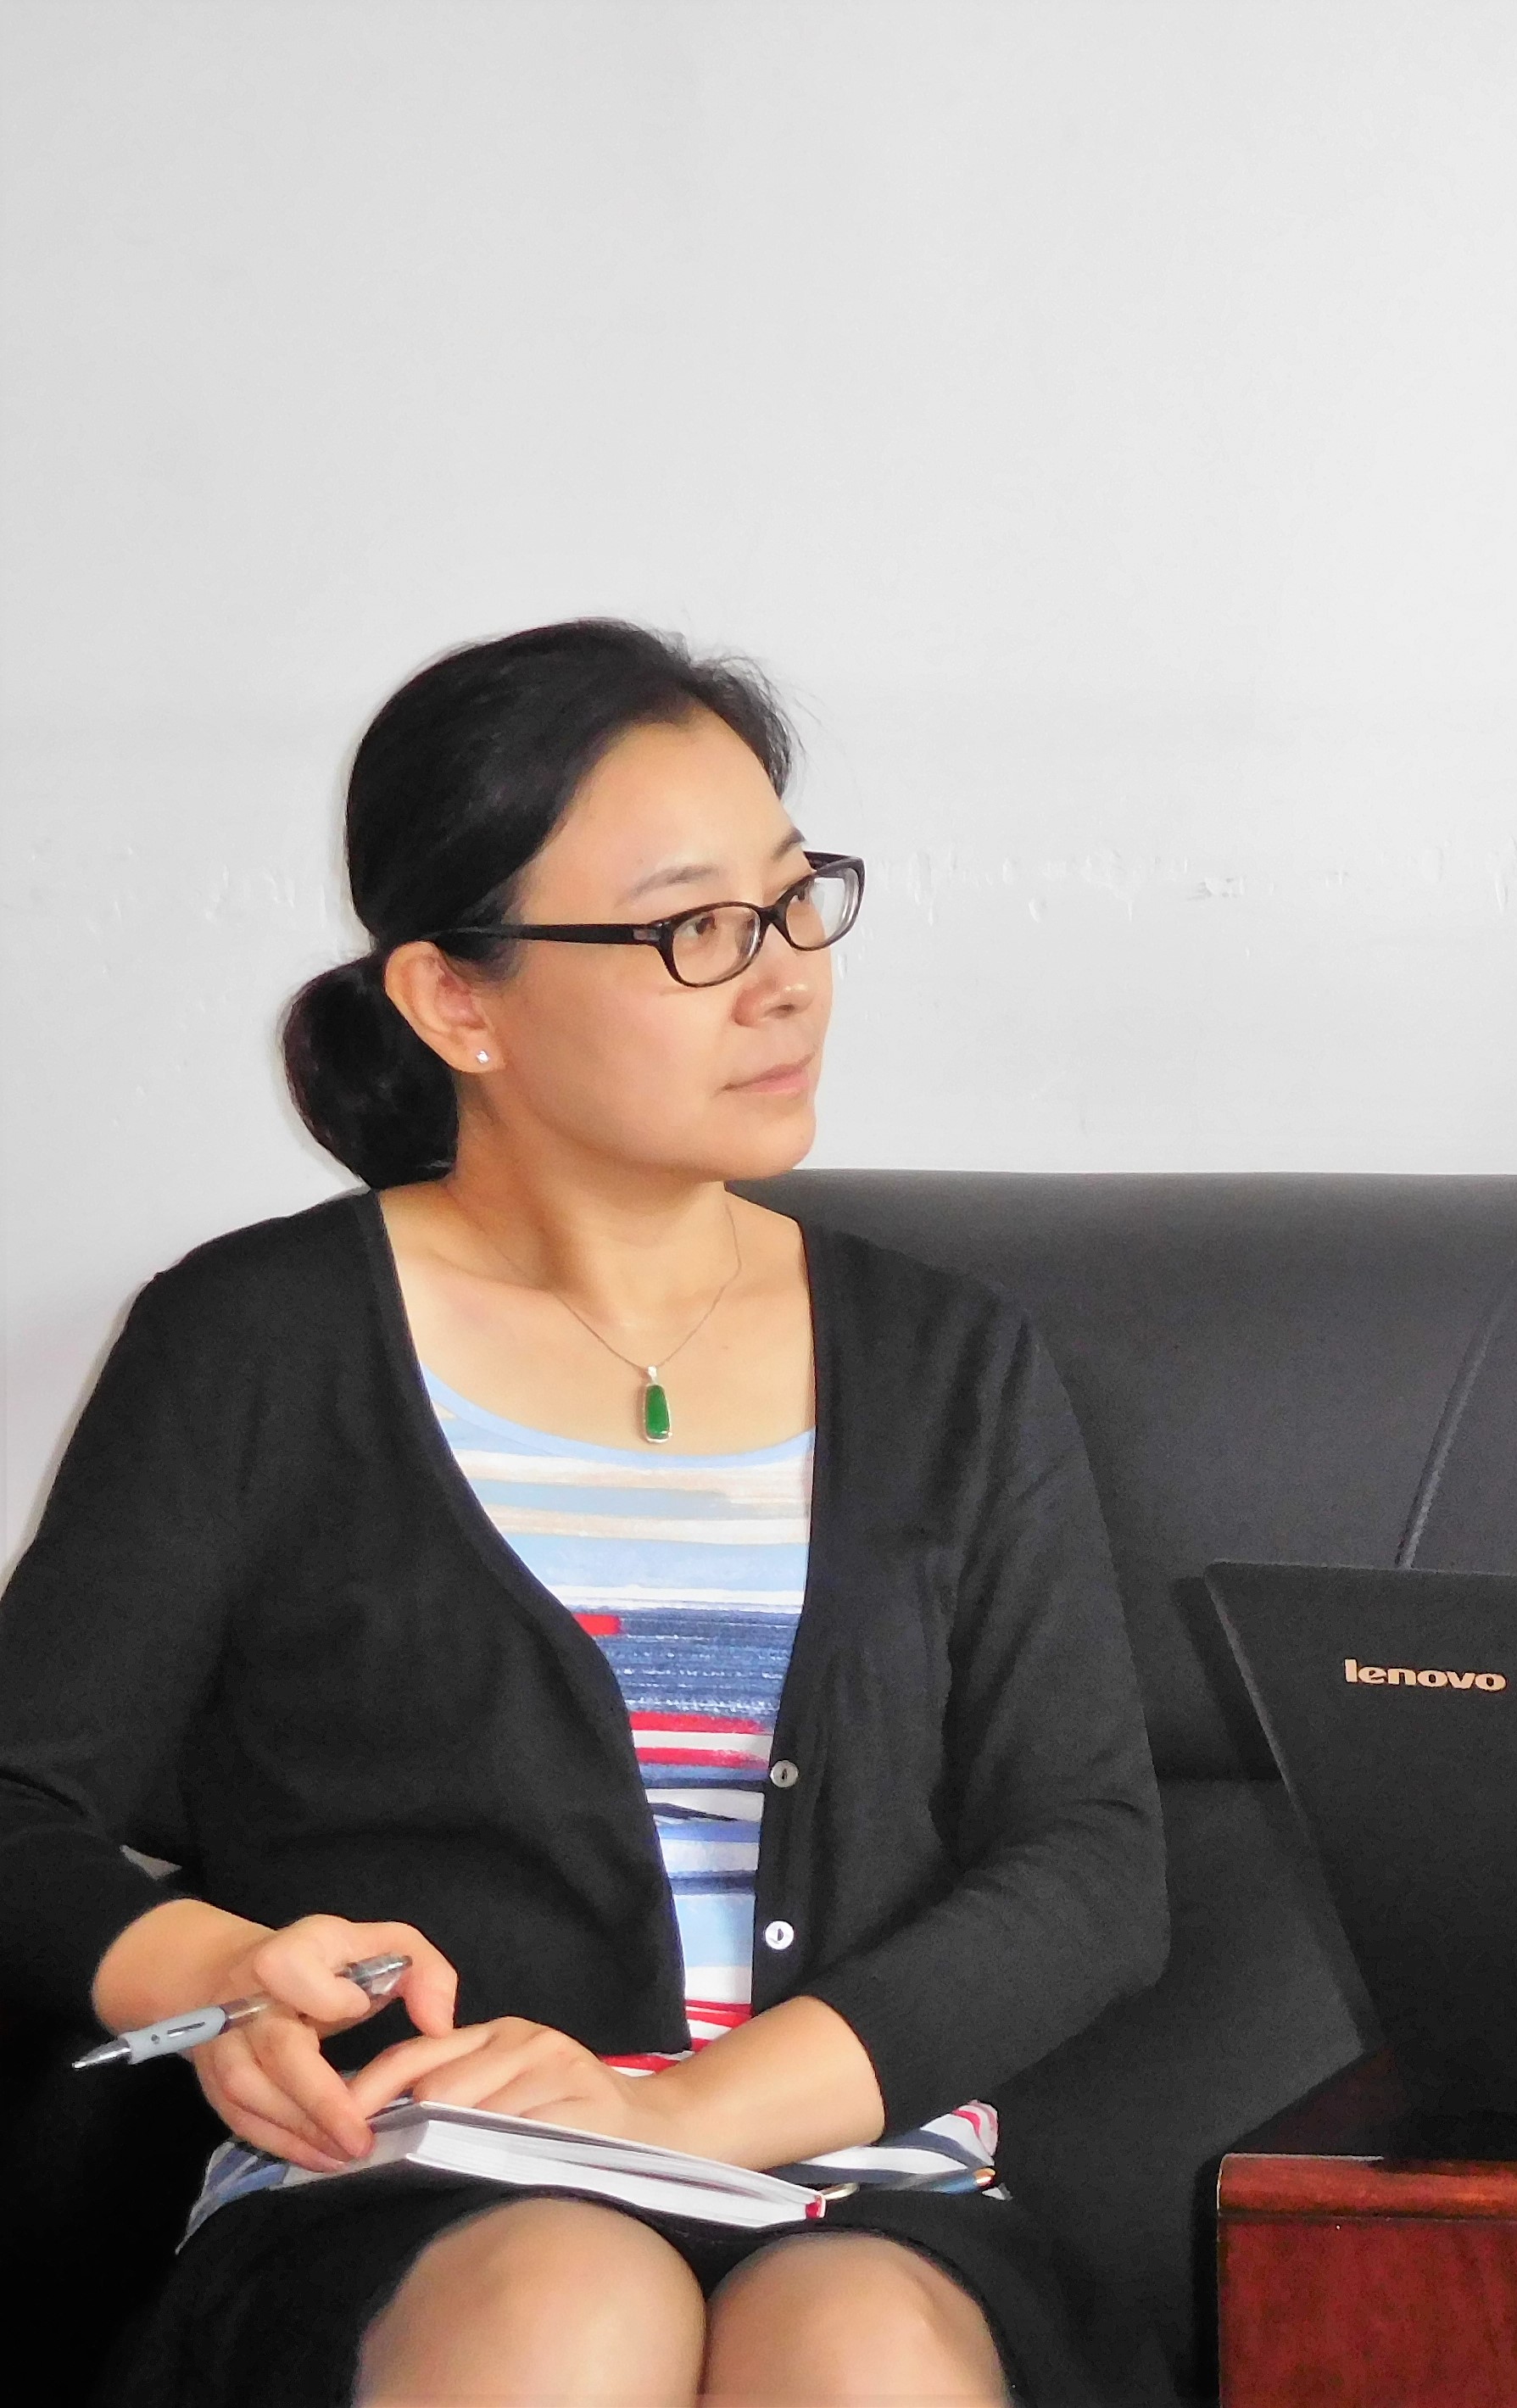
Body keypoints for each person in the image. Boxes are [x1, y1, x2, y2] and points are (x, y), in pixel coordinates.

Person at [0, 622, 1166, 2405]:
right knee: (569, 2298)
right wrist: (229, 1970)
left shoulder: (948, 1362)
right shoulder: (255, 1342)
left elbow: (1087, 1863)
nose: (785, 981)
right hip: (400, 2188)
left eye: (795, 901)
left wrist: (679, 2114)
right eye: (694, 929)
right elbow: (18, 1801)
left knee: (854, 2344)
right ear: (456, 1002)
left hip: (859, 2186)